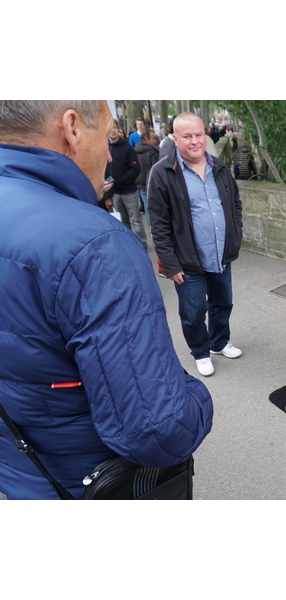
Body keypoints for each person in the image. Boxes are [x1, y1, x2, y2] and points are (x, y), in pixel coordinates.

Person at [0, 100, 213, 500]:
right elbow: (158, 429)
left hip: (20, 472)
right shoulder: (94, 245)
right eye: (106, 131)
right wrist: (196, 398)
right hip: (89, 481)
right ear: (72, 128)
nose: (108, 155)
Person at [147, 112, 243, 377]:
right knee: (193, 312)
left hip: (220, 255)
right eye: (187, 136)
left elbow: (235, 204)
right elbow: (158, 223)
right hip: (187, 261)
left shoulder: (219, 167)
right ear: (175, 139)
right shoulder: (162, 173)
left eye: (199, 134)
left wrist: (235, 236)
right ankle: (200, 352)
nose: (194, 141)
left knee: (223, 303)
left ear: (205, 135)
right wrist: (169, 262)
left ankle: (219, 342)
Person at [106, 122, 147, 248]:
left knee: (136, 220)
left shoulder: (127, 148)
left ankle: (142, 244)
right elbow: (104, 170)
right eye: (110, 128)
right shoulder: (105, 148)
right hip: (115, 192)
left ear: (119, 130)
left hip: (129, 191)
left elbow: (135, 169)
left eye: (115, 128)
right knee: (123, 221)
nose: (113, 131)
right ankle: (130, 244)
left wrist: (122, 180)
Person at [134, 128, 160, 217]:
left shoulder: (135, 150)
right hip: (151, 184)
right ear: (146, 139)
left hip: (140, 183)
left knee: (147, 207)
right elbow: (156, 170)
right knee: (153, 210)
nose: (155, 140)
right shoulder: (153, 152)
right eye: (153, 138)